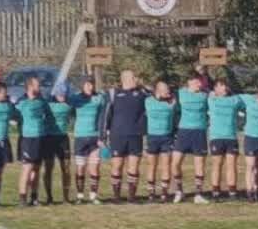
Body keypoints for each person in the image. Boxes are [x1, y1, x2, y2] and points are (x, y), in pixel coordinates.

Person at [104, 68, 149, 203]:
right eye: (133, 77)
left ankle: (131, 196)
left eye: (135, 77)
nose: (136, 79)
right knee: (117, 166)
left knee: (134, 167)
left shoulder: (142, 93)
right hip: (117, 135)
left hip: (136, 135)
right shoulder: (113, 94)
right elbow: (106, 115)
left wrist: (143, 86)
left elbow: (156, 94)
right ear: (124, 79)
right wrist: (103, 135)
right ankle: (116, 196)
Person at [67, 76, 108, 203]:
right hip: (80, 136)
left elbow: (103, 117)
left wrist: (102, 136)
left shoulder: (99, 98)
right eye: (87, 84)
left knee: (94, 167)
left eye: (92, 84)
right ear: (82, 86)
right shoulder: (75, 98)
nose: (90, 87)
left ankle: (93, 196)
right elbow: (66, 107)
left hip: (94, 137)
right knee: (80, 167)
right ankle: (80, 196)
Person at [170, 74, 210, 202]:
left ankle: (198, 194)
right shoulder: (180, 93)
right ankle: (179, 190)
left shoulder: (206, 94)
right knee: (175, 163)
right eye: (197, 82)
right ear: (190, 81)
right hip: (183, 132)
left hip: (199, 132)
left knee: (199, 164)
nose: (200, 84)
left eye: (201, 82)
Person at [14, 77, 51, 207]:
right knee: (27, 168)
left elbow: (49, 116)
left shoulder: (42, 102)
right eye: (36, 85)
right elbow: (14, 115)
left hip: (41, 138)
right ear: (29, 87)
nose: (39, 87)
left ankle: (34, 198)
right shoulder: (22, 102)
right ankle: (22, 198)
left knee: (36, 169)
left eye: (39, 85)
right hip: (28, 139)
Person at [204, 78, 243, 202]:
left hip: (231, 137)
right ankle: (215, 192)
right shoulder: (211, 99)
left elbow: (248, 101)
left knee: (232, 165)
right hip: (216, 137)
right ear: (215, 88)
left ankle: (232, 192)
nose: (224, 88)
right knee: (217, 164)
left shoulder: (235, 100)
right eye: (221, 86)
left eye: (225, 85)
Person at [143, 80, 178, 202]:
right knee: (151, 165)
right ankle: (151, 194)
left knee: (166, 165)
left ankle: (164, 193)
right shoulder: (148, 101)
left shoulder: (172, 102)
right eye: (165, 89)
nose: (168, 91)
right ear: (158, 90)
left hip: (166, 137)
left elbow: (174, 105)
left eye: (168, 89)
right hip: (152, 137)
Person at [44, 86, 73, 204]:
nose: (62, 96)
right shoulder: (47, 104)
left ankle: (66, 198)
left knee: (66, 168)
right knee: (48, 168)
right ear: (55, 94)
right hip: (49, 138)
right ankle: (49, 197)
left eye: (64, 94)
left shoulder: (69, 105)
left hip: (63, 138)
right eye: (60, 94)